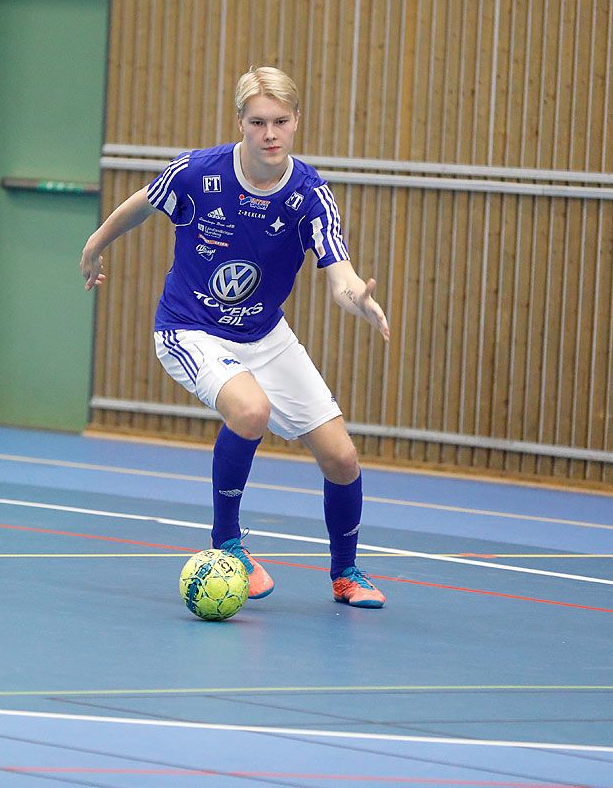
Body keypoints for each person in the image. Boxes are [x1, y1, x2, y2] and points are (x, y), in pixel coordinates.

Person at [80, 66, 391, 608]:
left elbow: (338, 272)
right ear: (241, 124)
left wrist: (356, 300)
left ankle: (346, 574)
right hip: (189, 329)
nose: (270, 133)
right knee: (249, 411)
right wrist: (96, 242)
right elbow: (143, 203)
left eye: (281, 121)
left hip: (264, 335)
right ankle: (226, 542)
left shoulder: (310, 194)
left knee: (342, 459)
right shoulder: (197, 173)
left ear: (297, 123)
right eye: (258, 122)